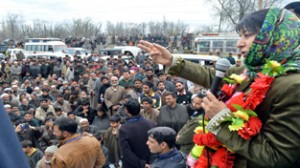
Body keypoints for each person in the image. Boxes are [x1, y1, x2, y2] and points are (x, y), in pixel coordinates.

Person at [138, 8, 300, 167]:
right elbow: (212, 76)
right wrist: (172, 62)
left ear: (273, 36)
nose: (239, 43)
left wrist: (221, 119)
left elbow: (277, 156)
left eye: (247, 35)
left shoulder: (293, 85)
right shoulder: (252, 71)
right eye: (239, 36)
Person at [119, 99, 155, 168]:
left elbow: (126, 152)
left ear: (126, 110)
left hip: (133, 165)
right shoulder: (151, 124)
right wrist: (150, 163)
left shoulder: (124, 129)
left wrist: (143, 164)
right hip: (150, 163)